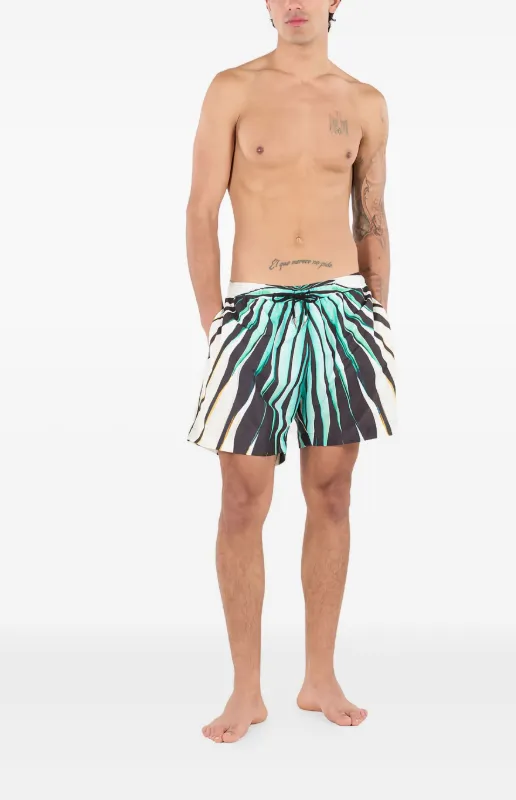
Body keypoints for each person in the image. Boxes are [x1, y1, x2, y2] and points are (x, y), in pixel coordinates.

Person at [185, 0, 397, 744]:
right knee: (242, 499)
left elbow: (372, 214)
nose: (296, 2)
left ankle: (319, 678)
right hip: (253, 311)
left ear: (337, 1)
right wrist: (215, 323)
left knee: (332, 494)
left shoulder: (364, 102)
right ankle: (246, 690)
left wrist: (377, 316)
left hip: (342, 309)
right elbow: (200, 211)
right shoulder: (233, 89)